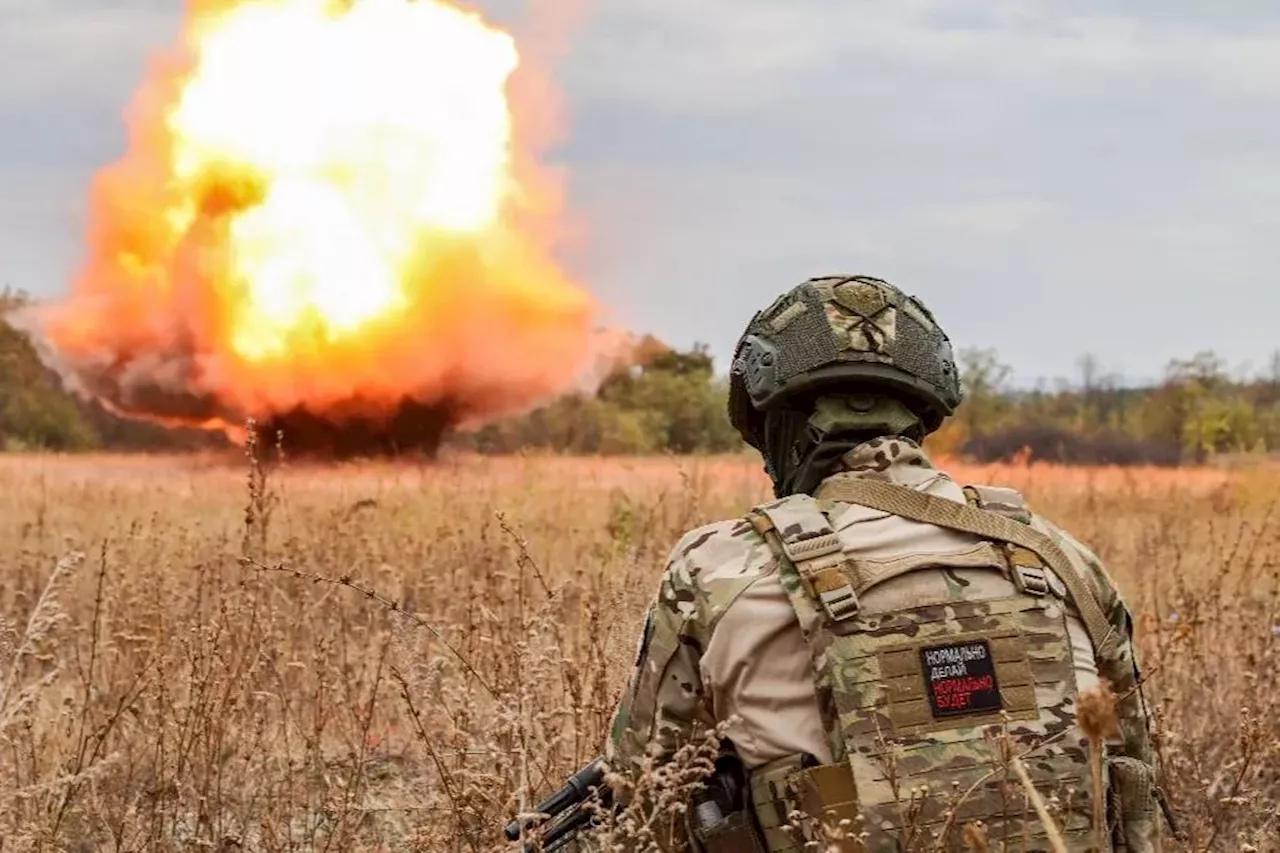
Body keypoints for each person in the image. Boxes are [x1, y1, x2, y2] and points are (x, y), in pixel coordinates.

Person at [600, 275, 1163, 852]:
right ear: (920, 414)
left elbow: (643, 795)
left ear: (777, 429)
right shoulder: (1055, 551)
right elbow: (1132, 766)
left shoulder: (717, 566)